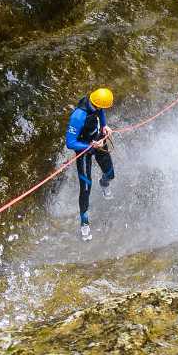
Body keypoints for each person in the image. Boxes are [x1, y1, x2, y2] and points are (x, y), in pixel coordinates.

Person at [66, 88, 115, 241]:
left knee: (110, 173)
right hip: (84, 149)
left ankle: (104, 183)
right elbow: (70, 142)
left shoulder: (96, 104)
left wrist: (105, 126)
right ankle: (84, 222)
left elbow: (100, 112)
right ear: (95, 102)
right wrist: (90, 146)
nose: (103, 109)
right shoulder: (78, 116)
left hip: (98, 140)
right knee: (86, 187)